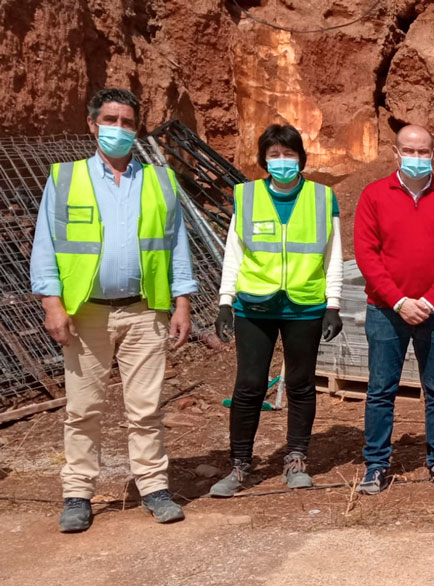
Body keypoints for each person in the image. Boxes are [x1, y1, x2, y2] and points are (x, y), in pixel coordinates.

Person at [30, 88, 196, 532]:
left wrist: (182, 301)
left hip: (145, 311)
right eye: (110, 120)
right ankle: (78, 493)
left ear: (137, 128)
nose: (118, 129)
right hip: (87, 313)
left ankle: (154, 486)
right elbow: (46, 244)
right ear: (91, 124)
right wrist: (51, 302)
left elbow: (176, 245)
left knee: (145, 408)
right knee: (83, 409)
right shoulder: (65, 179)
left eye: (126, 122)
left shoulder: (159, 181)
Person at [208, 123, 343, 497]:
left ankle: (296, 458)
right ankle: (239, 465)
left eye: (289, 154)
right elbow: (233, 254)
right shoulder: (247, 196)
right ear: (263, 160)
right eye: (274, 155)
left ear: (301, 157)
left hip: (305, 305)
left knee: (301, 385)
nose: (282, 161)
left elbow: (334, 256)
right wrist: (225, 301)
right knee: (249, 386)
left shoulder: (322, 197)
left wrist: (333, 304)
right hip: (255, 306)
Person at [353, 125, 434, 494]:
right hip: (386, 311)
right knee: (381, 389)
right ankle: (375, 463)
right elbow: (366, 255)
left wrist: (431, 300)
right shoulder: (374, 195)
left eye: (423, 152)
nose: (416, 158)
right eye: (409, 150)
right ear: (395, 152)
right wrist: (400, 301)